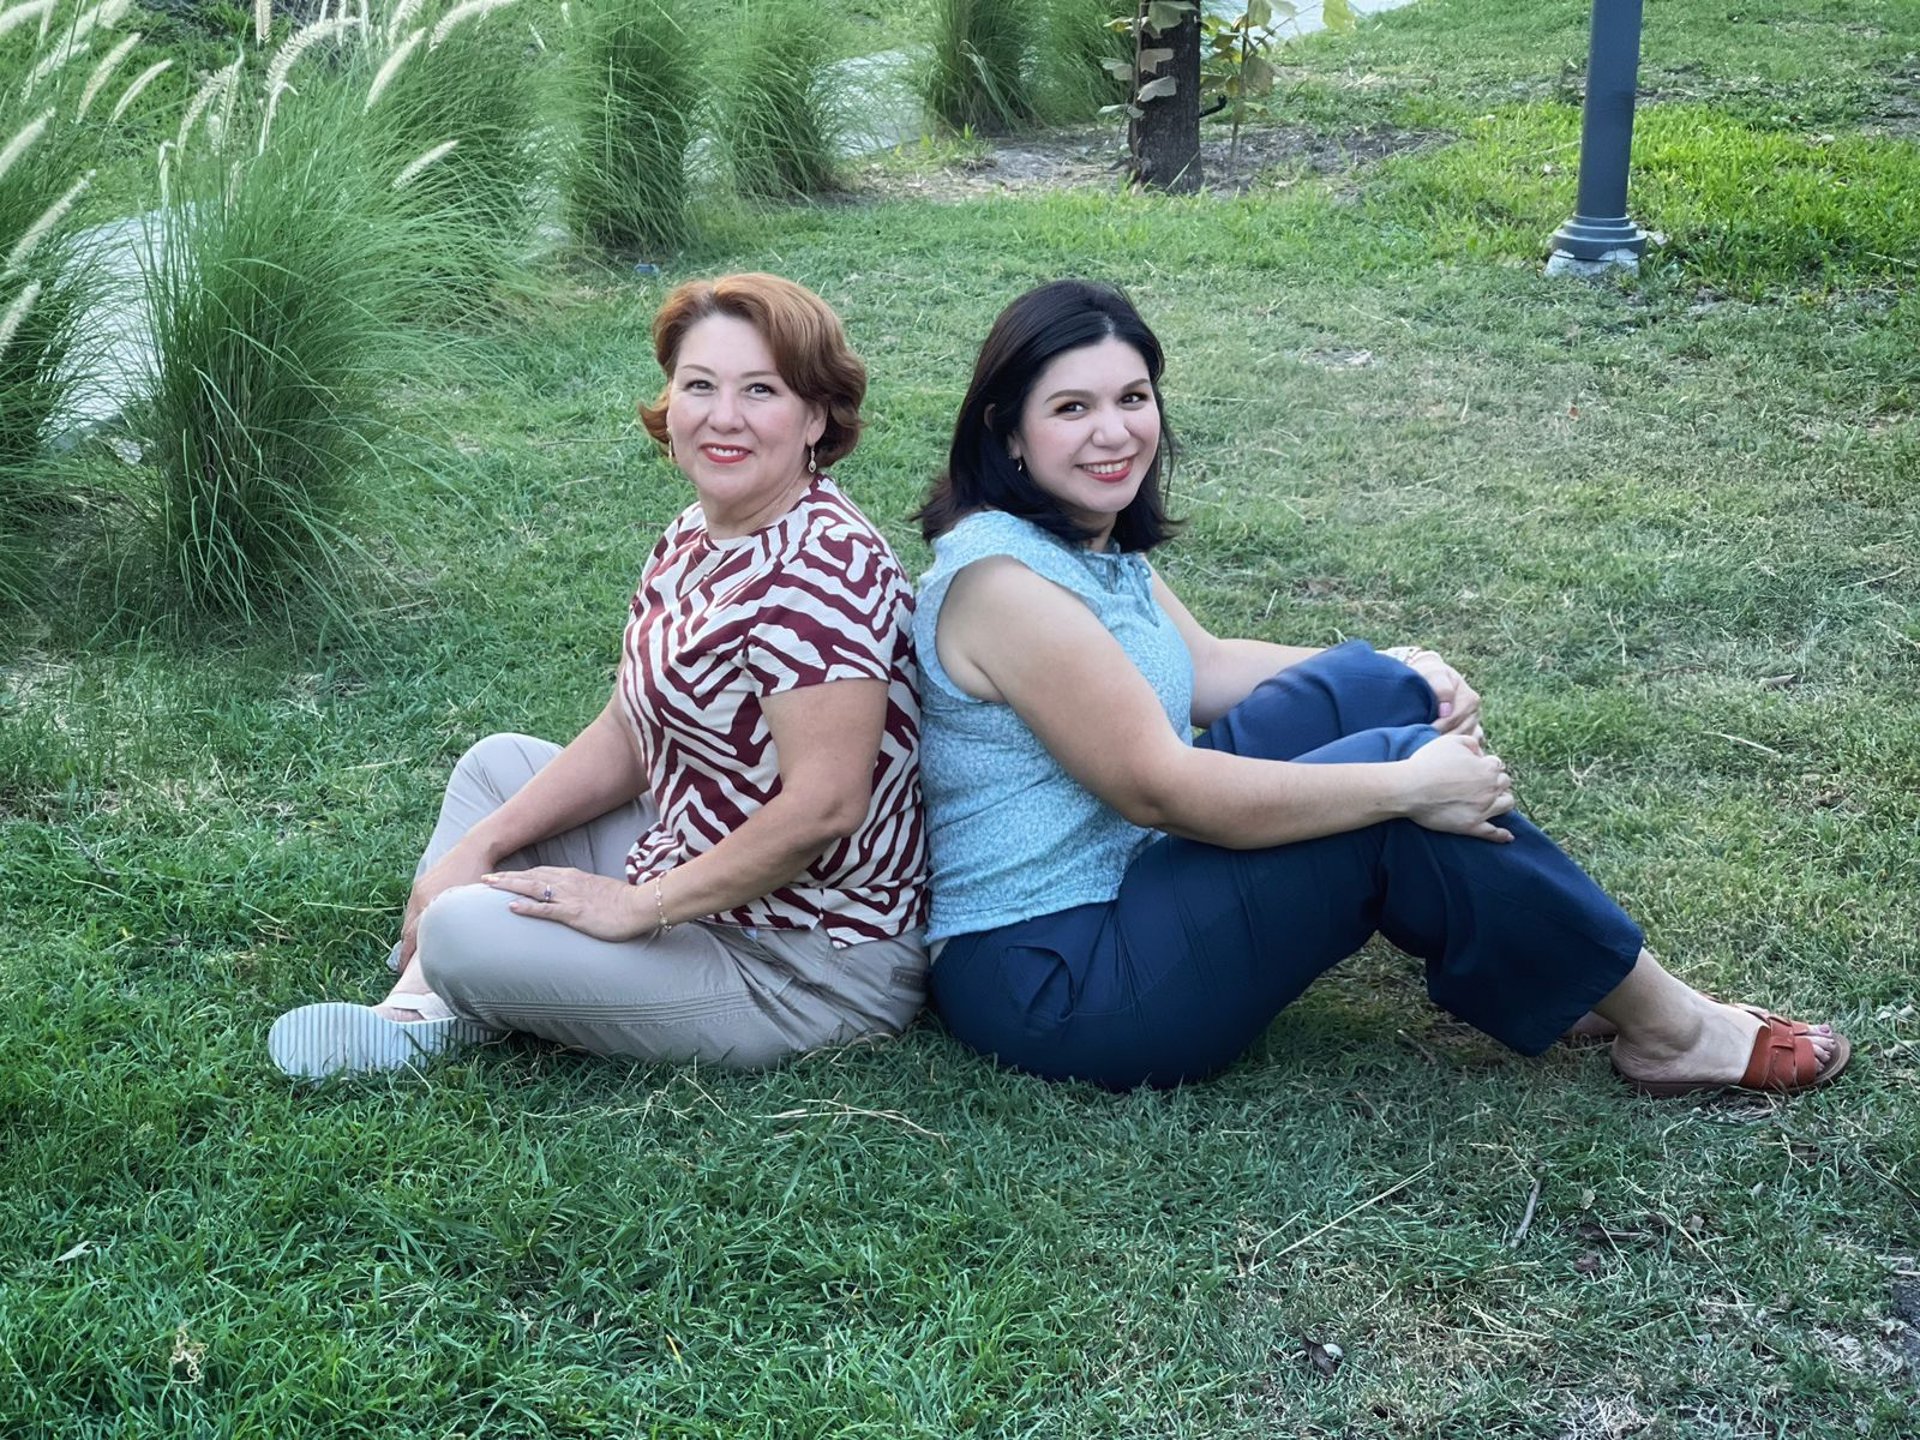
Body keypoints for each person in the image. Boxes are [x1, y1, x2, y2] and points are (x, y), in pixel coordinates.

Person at [910, 278, 1850, 1096]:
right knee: (1401, 795)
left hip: (1125, 877)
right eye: (1072, 408)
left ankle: (1560, 967)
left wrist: (1400, 668)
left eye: (1133, 396)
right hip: (1056, 978)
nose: (1115, 431)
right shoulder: (1005, 586)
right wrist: (1403, 786)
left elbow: (1203, 670)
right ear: (1010, 431)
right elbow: (1163, 788)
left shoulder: (1075, 537)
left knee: (1375, 693)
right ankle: (1673, 1032)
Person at [270, 274, 927, 1079]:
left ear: (815, 416)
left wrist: (636, 905)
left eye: (761, 390)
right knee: (495, 772)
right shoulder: (699, 532)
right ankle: (427, 1006)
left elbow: (825, 809)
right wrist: (475, 850)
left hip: (801, 960)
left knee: (461, 930)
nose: (724, 417)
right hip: (697, 866)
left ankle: (450, 981)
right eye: (700, 386)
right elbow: (629, 728)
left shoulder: (825, 570)